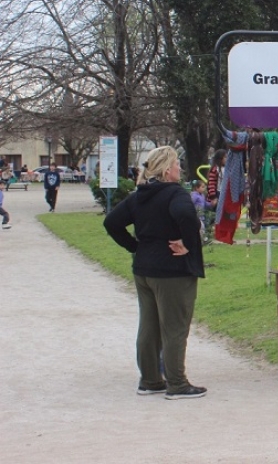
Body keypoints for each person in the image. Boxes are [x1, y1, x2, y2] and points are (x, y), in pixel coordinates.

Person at [102, 146, 207, 399]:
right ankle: (177, 384)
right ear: (167, 168)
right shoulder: (175, 194)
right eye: (177, 165)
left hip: (144, 268)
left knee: (149, 326)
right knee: (174, 327)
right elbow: (188, 218)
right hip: (172, 270)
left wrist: (135, 247)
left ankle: (150, 380)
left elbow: (112, 222)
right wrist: (188, 244)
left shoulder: (141, 194)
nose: (180, 169)